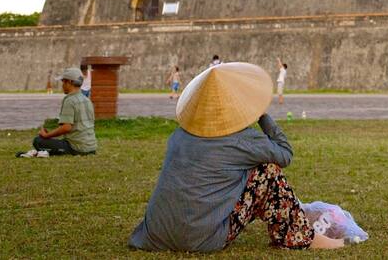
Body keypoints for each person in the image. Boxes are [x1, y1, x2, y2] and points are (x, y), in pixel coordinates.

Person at [128, 63, 344, 252]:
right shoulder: (244, 140)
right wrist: (261, 115)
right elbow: (284, 154)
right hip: (201, 240)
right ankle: (299, 236)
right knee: (267, 172)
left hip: (155, 235)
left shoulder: (179, 136)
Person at [16, 67, 97, 157]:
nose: (62, 85)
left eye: (63, 82)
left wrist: (47, 135)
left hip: (76, 148)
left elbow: (66, 127)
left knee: (38, 141)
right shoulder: (87, 100)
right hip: (91, 148)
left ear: (70, 82)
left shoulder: (70, 100)